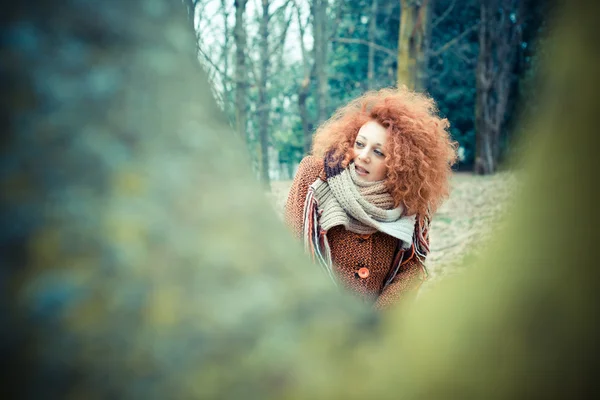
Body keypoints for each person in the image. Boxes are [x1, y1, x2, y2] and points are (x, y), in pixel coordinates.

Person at [284, 87, 458, 310]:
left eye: (379, 152)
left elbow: (410, 270)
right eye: (359, 144)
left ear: (400, 164)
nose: (363, 156)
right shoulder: (316, 177)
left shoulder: (410, 205)